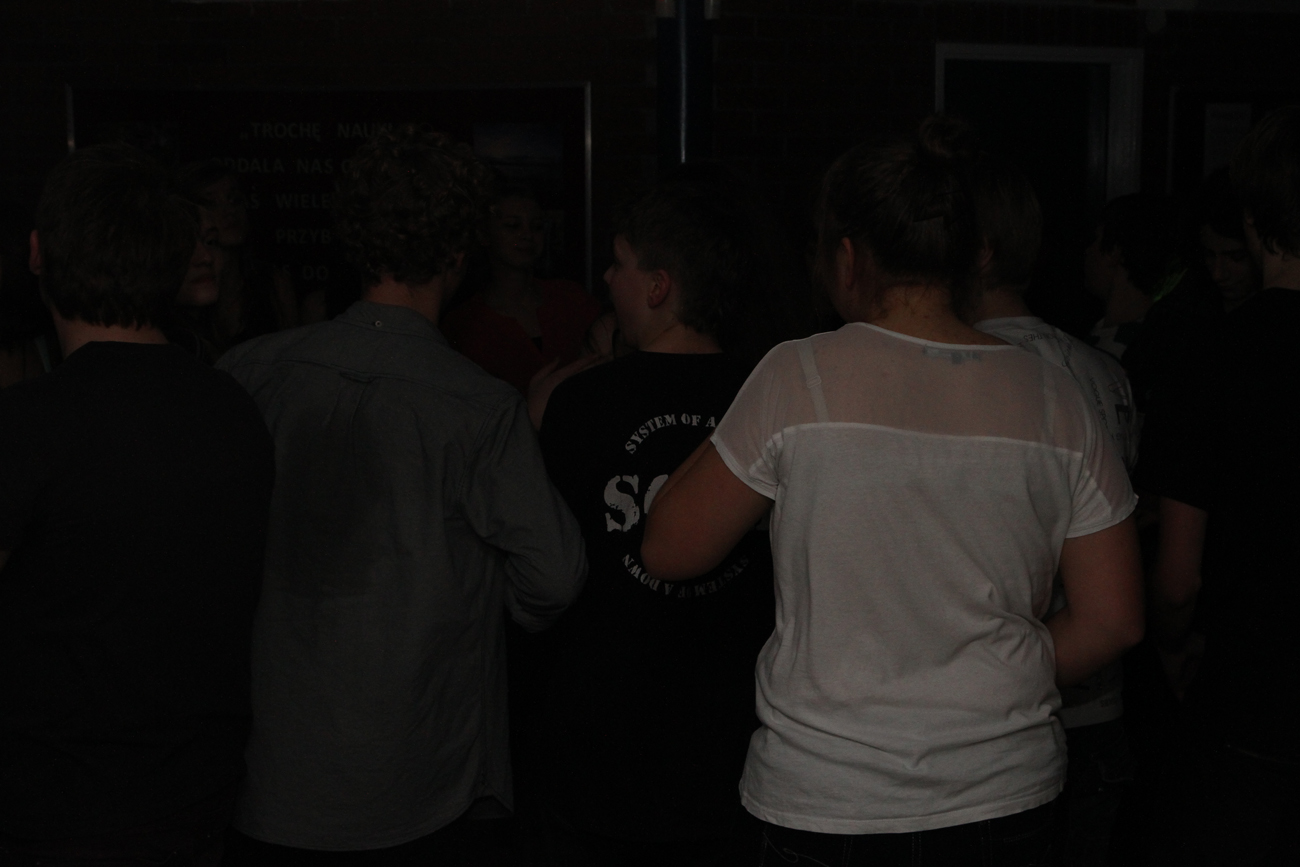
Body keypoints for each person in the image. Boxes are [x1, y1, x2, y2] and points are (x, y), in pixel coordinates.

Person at [641, 118, 1145, 866]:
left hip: (828, 794)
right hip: (1003, 789)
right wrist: (989, 682)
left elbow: (669, 547)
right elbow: (1113, 621)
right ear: (969, 256)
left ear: (848, 257)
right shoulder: (1055, 396)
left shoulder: (799, 376)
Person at [216, 125, 588, 863]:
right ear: (458, 252)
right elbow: (555, 574)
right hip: (417, 778)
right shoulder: (477, 406)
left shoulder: (248, 372)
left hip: (272, 773)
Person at [0, 144, 275, 865]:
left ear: (38, 252)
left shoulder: (29, 426)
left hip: (59, 808)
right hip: (197, 794)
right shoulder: (233, 408)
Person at [534, 164, 810, 866]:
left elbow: (550, 563)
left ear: (658, 286)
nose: (606, 278)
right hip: (735, 728)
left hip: (608, 736)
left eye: (619, 263)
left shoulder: (582, 403)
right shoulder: (770, 393)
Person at [968, 153, 1139, 867]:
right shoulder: (1106, 373)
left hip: (996, 714)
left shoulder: (968, 378)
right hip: (1097, 707)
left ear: (976, 251)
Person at [1147, 105, 1300, 866]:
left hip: (1250, 700)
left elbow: (1178, 576)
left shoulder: (1213, 357)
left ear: (1253, 220)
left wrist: (1172, 641)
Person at [442, 185, 601, 393]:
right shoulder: (463, 323)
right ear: (484, 234)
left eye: (537, 227)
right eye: (513, 226)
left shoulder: (572, 299)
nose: (527, 235)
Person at [1083, 194, 1178, 362]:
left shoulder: (1121, 353)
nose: (1088, 251)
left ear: (1114, 251)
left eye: (1095, 240)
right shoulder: (1157, 338)